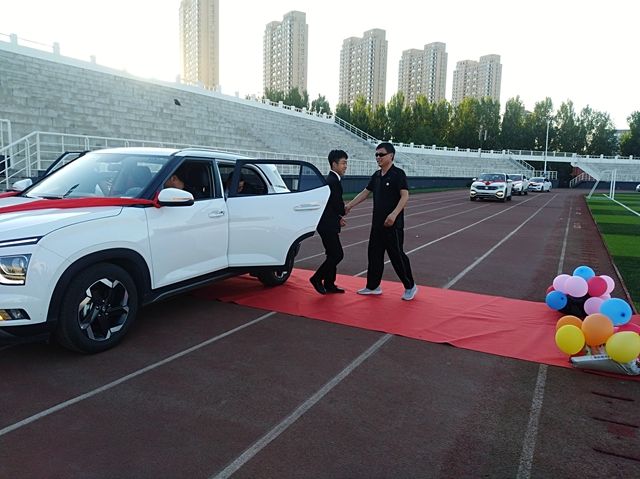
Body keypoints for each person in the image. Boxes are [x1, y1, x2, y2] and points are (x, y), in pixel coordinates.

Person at [345, 142, 417, 301]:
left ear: (391, 155)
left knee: (397, 256)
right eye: (376, 154)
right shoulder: (376, 176)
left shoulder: (398, 174)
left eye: (381, 154)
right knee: (374, 255)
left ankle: (410, 286)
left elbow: (405, 196)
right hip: (377, 224)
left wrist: (394, 214)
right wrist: (349, 206)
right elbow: (365, 192)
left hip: (393, 225)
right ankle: (373, 286)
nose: (378, 157)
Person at [309, 150, 348, 295]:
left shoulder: (330, 180)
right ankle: (316, 278)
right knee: (337, 254)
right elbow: (337, 204)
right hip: (327, 225)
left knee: (331, 254)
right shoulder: (333, 182)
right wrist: (343, 211)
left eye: (346, 163)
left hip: (327, 222)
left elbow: (329, 206)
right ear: (334, 164)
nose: (345, 166)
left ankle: (330, 283)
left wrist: (337, 218)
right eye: (343, 163)